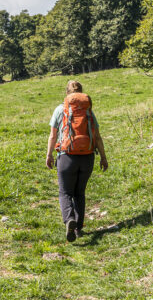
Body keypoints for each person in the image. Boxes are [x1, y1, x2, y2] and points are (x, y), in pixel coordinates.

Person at [45, 80, 108, 242]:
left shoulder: (60, 110)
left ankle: (69, 219)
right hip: (87, 157)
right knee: (80, 193)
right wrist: (103, 157)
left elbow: (53, 136)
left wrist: (49, 155)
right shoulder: (88, 112)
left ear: (67, 93)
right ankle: (79, 228)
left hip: (67, 157)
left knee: (65, 192)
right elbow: (98, 136)